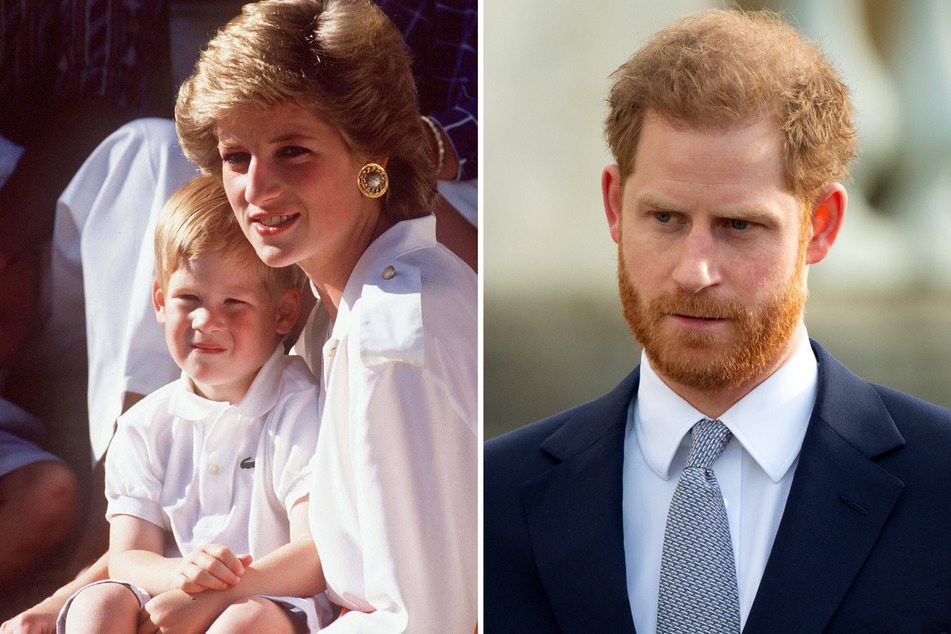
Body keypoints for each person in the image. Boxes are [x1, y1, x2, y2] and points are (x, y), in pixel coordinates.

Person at [484, 8, 951, 633]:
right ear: (614, 206)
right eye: (666, 219)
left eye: (739, 226)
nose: (694, 271)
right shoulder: (489, 498)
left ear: (822, 226)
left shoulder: (941, 484)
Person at [172, 0, 477, 631]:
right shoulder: (338, 310)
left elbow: (424, 620)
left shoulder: (391, 330)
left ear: (374, 157)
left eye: (293, 151)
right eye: (236, 157)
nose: (255, 190)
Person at [57, 174, 330, 633]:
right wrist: (179, 577)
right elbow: (128, 555)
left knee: (245, 621)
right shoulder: (144, 424)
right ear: (161, 302)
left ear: (283, 313)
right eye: (189, 298)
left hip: (270, 598)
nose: (206, 321)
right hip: (171, 599)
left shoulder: (299, 407)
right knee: (100, 603)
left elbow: (316, 554)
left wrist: (217, 596)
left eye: (234, 302)